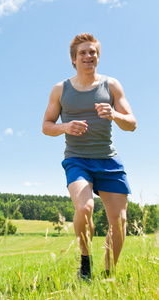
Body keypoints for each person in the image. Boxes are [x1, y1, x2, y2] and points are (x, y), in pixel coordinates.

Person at [42, 33, 136, 280]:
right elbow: (46, 126)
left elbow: (132, 123)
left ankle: (108, 274)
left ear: (98, 57)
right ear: (74, 59)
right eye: (83, 52)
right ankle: (85, 261)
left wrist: (114, 114)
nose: (88, 56)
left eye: (92, 52)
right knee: (84, 208)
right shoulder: (61, 89)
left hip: (108, 159)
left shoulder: (111, 85)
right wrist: (64, 126)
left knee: (120, 220)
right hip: (77, 159)